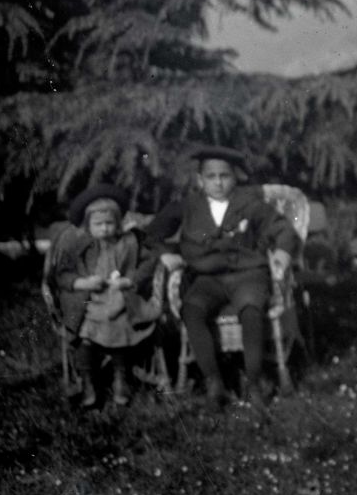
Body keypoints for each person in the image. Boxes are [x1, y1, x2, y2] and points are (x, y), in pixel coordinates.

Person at [140, 146, 299, 412]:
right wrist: (165, 255)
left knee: (250, 309)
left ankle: (254, 381)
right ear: (200, 180)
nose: (218, 182)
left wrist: (282, 253)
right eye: (211, 177)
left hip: (247, 274)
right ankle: (215, 383)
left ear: (234, 178)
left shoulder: (249, 204)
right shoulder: (189, 205)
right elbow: (151, 234)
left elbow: (283, 228)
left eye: (224, 176)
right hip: (206, 278)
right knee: (192, 310)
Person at [54, 184, 162, 409]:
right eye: (98, 224)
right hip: (87, 300)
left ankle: (120, 379)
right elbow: (62, 275)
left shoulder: (129, 242)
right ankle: (88, 383)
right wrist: (83, 282)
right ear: (88, 224)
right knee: (85, 334)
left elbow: (149, 263)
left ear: (118, 222)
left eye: (109, 223)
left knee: (119, 324)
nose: (104, 229)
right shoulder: (78, 245)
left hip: (119, 296)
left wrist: (129, 280)